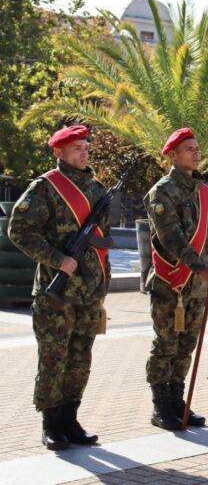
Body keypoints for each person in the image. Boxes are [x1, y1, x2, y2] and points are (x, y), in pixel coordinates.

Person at [8, 125, 111, 450]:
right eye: (77, 148)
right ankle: (51, 423)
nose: (84, 152)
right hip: (57, 294)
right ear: (59, 152)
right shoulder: (46, 188)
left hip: (88, 293)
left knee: (80, 358)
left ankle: (71, 418)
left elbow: (100, 245)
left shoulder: (97, 191)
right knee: (54, 358)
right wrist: (56, 259)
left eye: (86, 147)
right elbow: (19, 229)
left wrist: (102, 283)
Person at [143, 128, 208, 430]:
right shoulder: (161, 192)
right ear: (172, 156)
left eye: (197, 148)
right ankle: (161, 405)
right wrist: (198, 265)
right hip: (171, 282)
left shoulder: (203, 190)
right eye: (189, 149)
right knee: (166, 343)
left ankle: (177, 399)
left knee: (186, 343)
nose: (196, 153)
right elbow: (170, 237)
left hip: (197, 283)